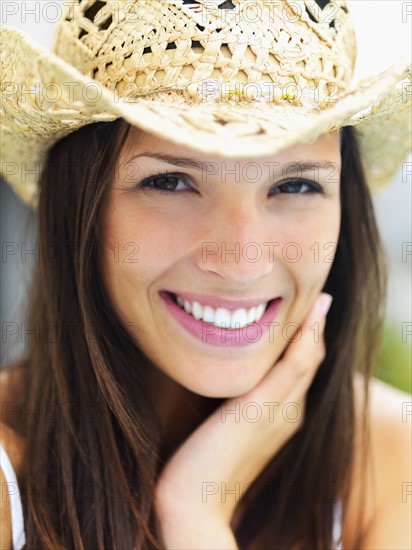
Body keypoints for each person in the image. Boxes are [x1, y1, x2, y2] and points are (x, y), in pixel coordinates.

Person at [0, 1, 411, 548]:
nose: (242, 261)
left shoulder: (393, 457)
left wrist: (196, 512)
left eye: (294, 186)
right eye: (171, 182)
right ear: (81, 208)